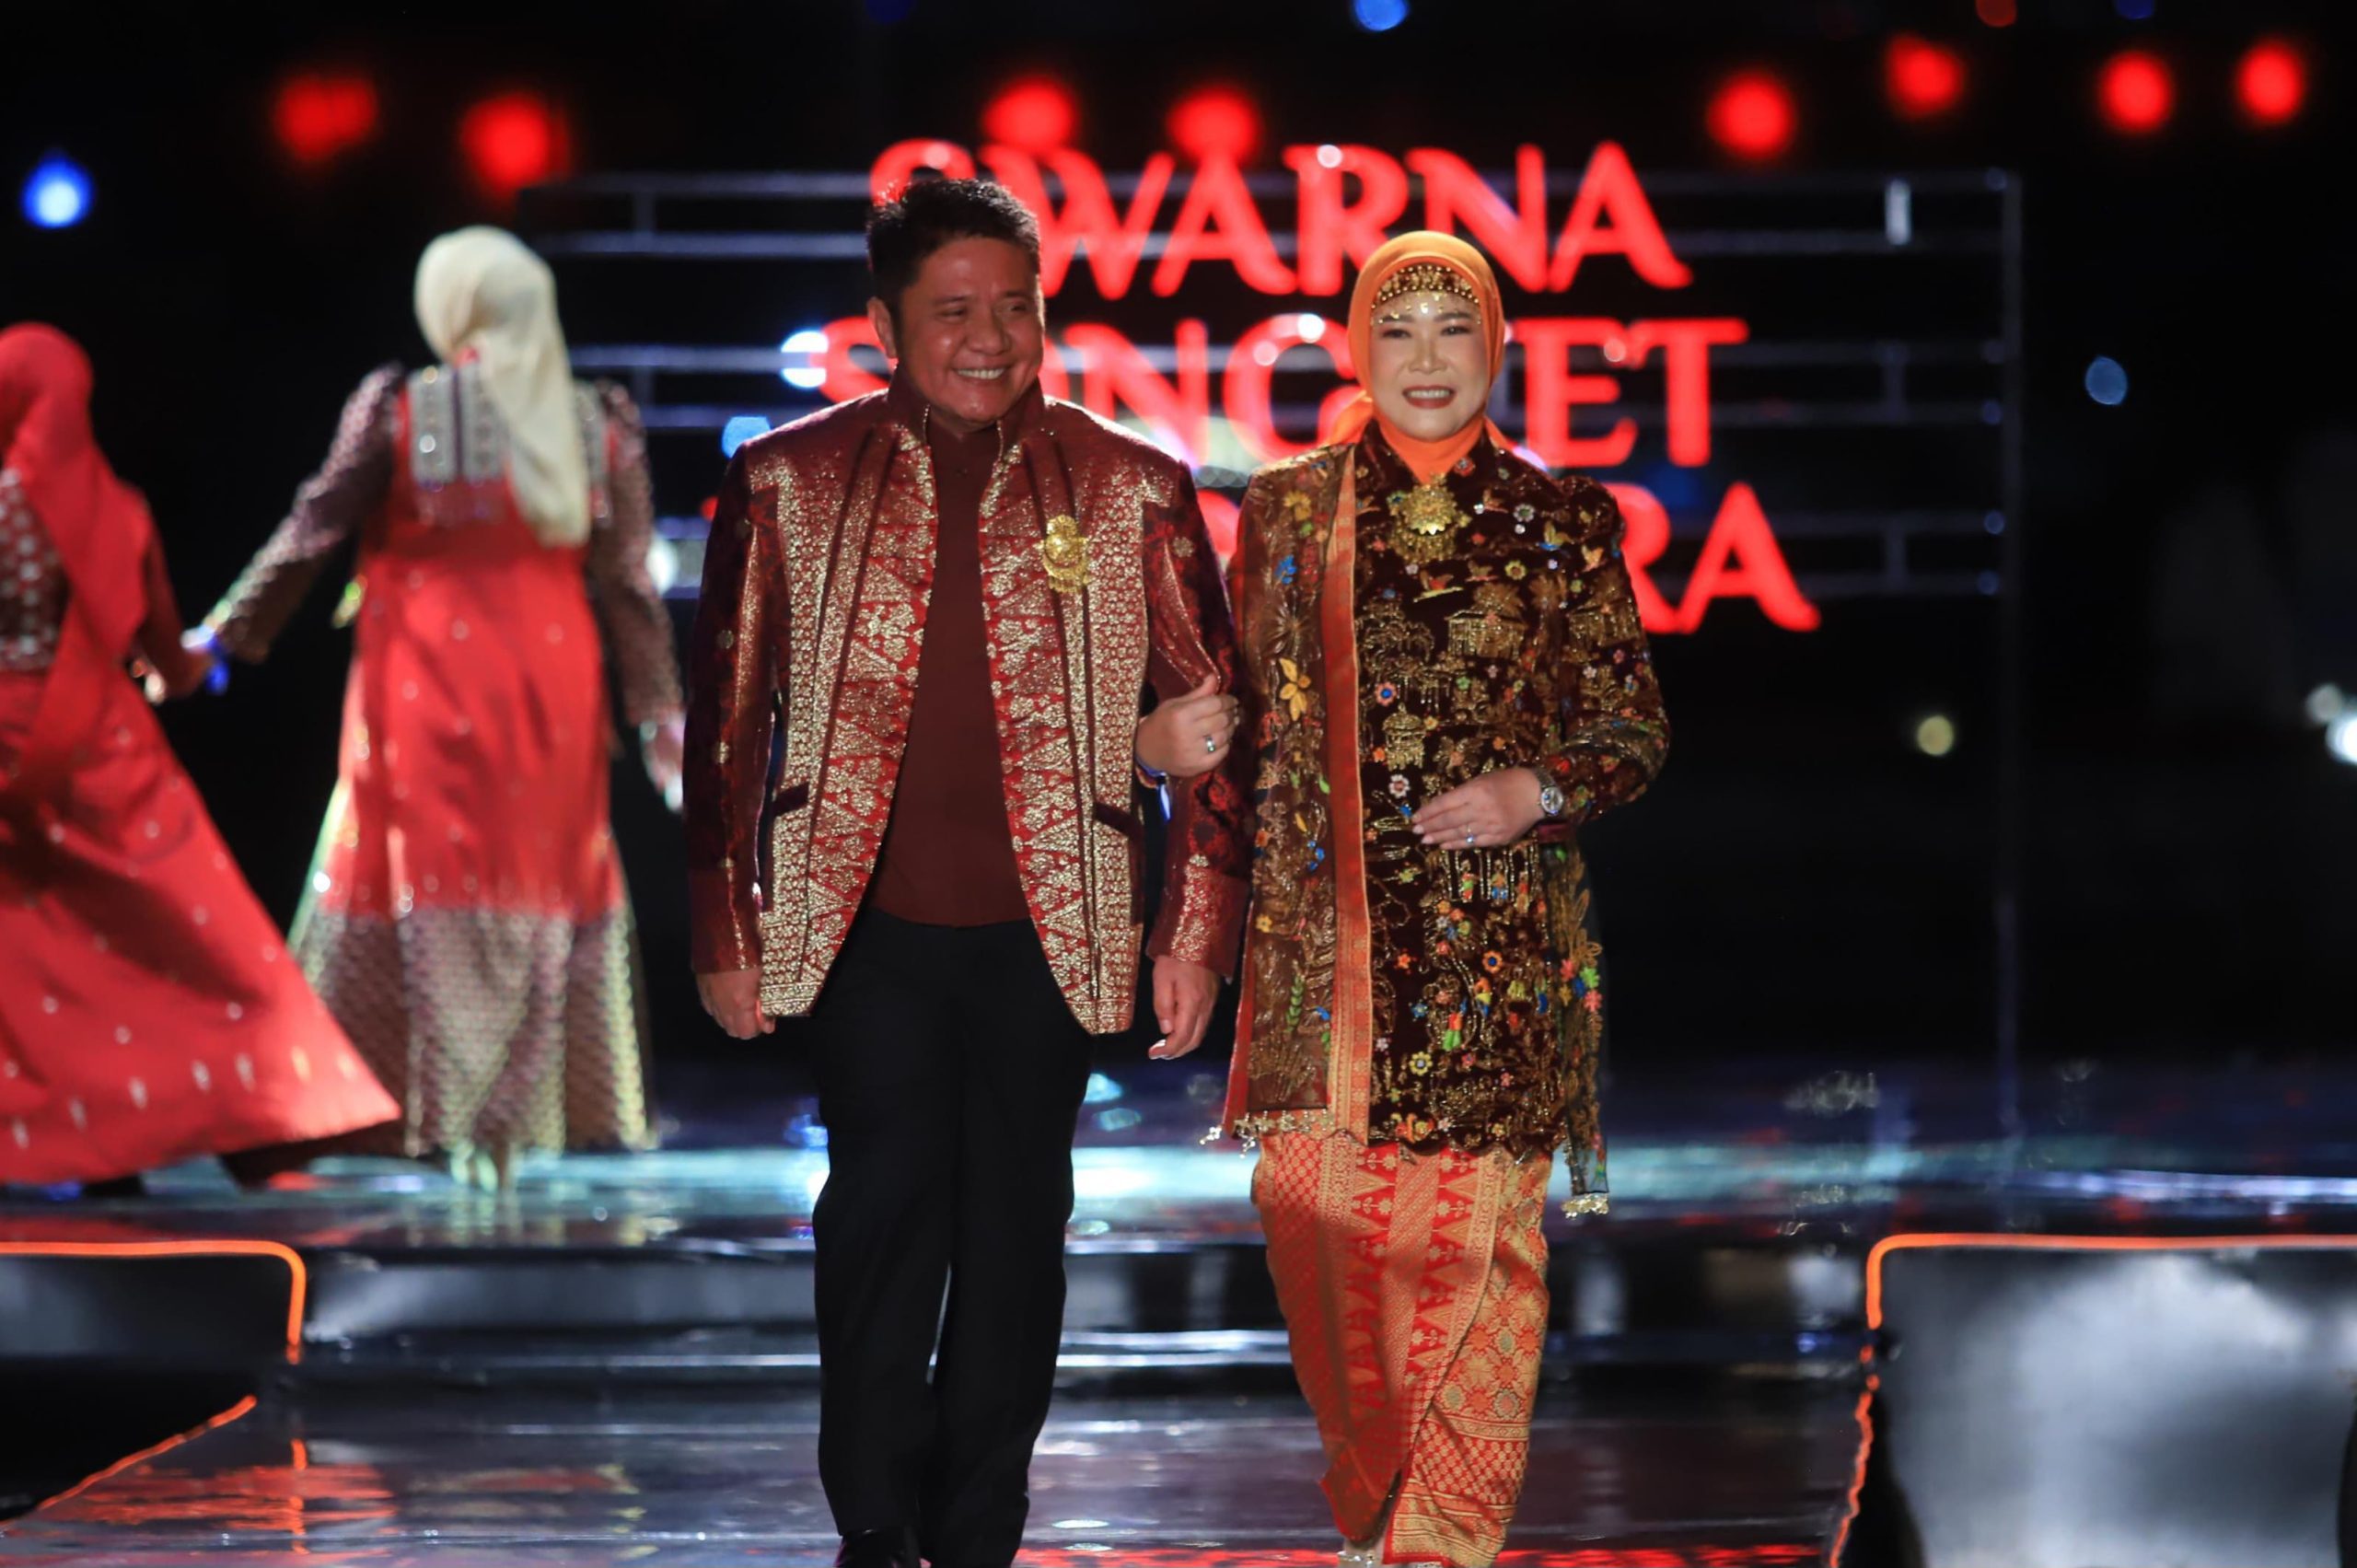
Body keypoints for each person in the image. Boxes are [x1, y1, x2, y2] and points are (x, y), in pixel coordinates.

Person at [683, 175, 1253, 1568]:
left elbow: (1217, 726)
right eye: (952, 311)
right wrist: (724, 926)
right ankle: (877, 1515)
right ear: (885, 325)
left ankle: (982, 1518)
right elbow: (727, 726)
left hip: (1055, 920)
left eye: (1014, 306)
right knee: (879, 1217)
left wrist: (1193, 929)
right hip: (861, 915)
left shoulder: (1129, 482)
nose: (989, 337)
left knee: (1016, 1229)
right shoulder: (789, 480)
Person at [1144, 233, 1668, 1566]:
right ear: (1354, 351)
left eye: (1453, 328)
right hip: (1320, 964)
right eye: (1397, 329)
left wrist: (1536, 787)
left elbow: (1630, 725)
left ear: (1497, 345)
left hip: (1496, 955)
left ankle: (1442, 1541)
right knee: (1315, 1224)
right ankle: (1384, 1510)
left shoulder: (1562, 519)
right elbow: (1235, 751)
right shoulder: (1287, 510)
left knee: (1481, 1261)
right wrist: (1193, 923)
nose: (1426, 359)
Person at [203, 228, 686, 1191]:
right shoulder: (597, 422)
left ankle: (412, 1111)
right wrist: (658, 713)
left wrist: (220, 634)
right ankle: (506, 1122)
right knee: (537, 876)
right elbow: (629, 583)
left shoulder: (404, 407)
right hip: (551, 689)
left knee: (425, 872)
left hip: (426, 682)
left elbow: (313, 527)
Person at [0, 323, 398, 1191]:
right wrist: (191, 668)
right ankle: (249, 1129)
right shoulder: (115, 510)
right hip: (99, 755)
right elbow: (162, 651)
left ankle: (64, 1140)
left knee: (33, 956)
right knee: (192, 941)